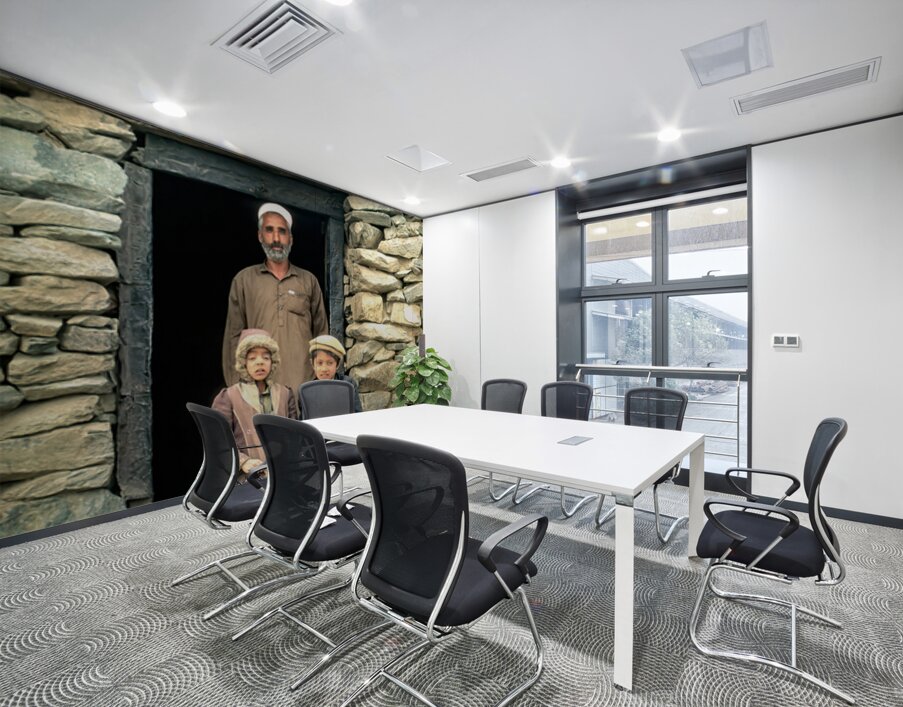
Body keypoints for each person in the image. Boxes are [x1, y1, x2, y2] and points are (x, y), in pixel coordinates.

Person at [222, 202, 328, 390]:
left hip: (303, 386)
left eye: (282, 231)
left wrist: (320, 384)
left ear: (291, 238)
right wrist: (236, 390)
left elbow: (321, 334)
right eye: (270, 230)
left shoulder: (308, 280)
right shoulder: (244, 280)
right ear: (260, 235)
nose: (276, 238)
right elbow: (233, 339)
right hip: (260, 390)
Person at [212, 328, 298, 482]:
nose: (260, 362)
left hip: (284, 476)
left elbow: (296, 436)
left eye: (266, 357)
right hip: (246, 480)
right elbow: (217, 440)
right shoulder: (228, 397)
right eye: (252, 358)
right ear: (243, 362)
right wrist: (243, 462)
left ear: (273, 361)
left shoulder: (285, 394)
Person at [307, 335, 363, 413]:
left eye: (330, 363)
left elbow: (357, 414)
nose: (324, 369)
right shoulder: (308, 391)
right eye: (319, 363)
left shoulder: (348, 385)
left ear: (337, 364)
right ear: (312, 364)